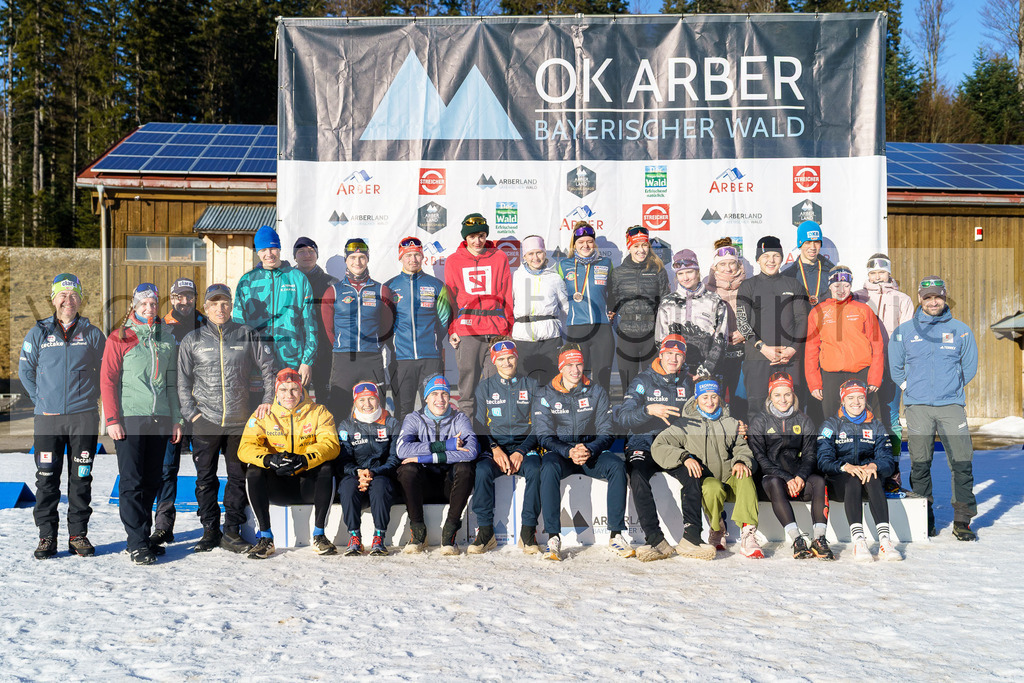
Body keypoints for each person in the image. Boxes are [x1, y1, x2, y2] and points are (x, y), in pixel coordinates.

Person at [177, 283, 276, 554]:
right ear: (206, 308)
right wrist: (191, 413)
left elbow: (268, 368)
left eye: (225, 303)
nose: (220, 308)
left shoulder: (246, 334)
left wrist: (267, 400)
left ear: (231, 306)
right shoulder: (193, 340)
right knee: (205, 479)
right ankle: (210, 530)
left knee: (237, 477)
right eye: (214, 304)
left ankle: (231, 530)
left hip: (239, 420)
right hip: (205, 420)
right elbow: (182, 381)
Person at [20, 273, 106, 559]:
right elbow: (25, 371)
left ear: (80, 299)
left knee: (81, 478)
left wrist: (92, 399)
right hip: (48, 419)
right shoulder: (38, 332)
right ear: (53, 299)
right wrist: (41, 401)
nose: (68, 300)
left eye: (73, 295)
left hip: (83, 417)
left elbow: (106, 371)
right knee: (46, 479)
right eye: (63, 295)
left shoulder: (92, 333)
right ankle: (47, 537)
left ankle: (77, 535)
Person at [889, 275, 979, 541]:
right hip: (918, 408)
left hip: (951, 406)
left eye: (937, 297)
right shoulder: (904, 331)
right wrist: (909, 387)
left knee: (962, 463)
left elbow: (969, 366)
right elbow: (895, 366)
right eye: (927, 297)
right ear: (920, 299)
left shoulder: (961, 330)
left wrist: (950, 388)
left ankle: (962, 520)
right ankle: (924, 519)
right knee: (920, 464)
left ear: (944, 297)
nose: (933, 302)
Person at [101, 284, 183, 565]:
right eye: (143, 304)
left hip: (160, 418)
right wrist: (112, 419)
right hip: (130, 418)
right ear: (134, 306)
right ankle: (136, 542)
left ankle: (142, 537)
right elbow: (108, 381)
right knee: (132, 481)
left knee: (151, 480)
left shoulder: (166, 338)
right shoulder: (120, 337)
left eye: (153, 303)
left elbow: (172, 383)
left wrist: (176, 419)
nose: (149, 308)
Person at [533, 345, 632, 561]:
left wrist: (590, 448)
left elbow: (607, 431)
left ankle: (616, 534)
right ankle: (553, 537)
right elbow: (544, 436)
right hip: (561, 454)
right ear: (561, 367)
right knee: (547, 467)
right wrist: (568, 451)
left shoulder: (597, 391)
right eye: (569, 365)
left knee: (617, 466)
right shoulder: (545, 394)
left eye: (579, 364)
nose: (575, 370)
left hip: (591, 452)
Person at [652, 378, 764, 559]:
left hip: (730, 477)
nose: (710, 402)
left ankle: (748, 533)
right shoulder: (685, 424)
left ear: (719, 398)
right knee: (712, 488)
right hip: (707, 478)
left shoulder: (730, 423)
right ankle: (717, 528)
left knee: (745, 476)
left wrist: (741, 461)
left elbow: (741, 448)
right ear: (696, 400)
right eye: (705, 397)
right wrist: (684, 457)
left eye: (714, 396)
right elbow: (659, 445)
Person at [237, 368, 341, 559]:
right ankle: (265, 537)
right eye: (283, 390)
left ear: (302, 390)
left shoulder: (319, 412)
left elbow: (331, 444)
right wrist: (269, 460)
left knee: (326, 467)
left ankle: (319, 535)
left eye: (294, 389)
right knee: (254, 470)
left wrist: (305, 459)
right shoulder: (263, 414)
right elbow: (245, 448)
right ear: (276, 392)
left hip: (307, 484)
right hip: (277, 485)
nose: (289, 395)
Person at [612, 334, 695, 561]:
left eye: (678, 355)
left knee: (693, 472)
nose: (673, 359)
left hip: (672, 445)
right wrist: (648, 411)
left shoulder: (687, 382)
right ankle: (655, 539)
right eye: (669, 354)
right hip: (643, 443)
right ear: (661, 354)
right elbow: (623, 418)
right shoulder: (643, 381)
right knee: (637, 476)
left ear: (684, 358)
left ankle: (692, 538)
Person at [468, 340, 542, 555]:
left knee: (536, 469)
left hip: (524, 446)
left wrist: (521, 450)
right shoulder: (485, 387)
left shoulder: (531, 385)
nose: (506, 362)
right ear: (494, 361)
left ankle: (528, 532)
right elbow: (479, 425)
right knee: (482, 470)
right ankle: (486, 532)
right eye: (501, 359)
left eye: (510, 357)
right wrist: (494, 448)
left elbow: (539, 426)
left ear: (516, 358)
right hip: (495, 446)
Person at [748, 372, 833, 560]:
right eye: (777, 395)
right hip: (771, 482)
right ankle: (797, 540)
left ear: (793, 395)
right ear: (770, 396)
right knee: (774, 482)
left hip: (797, 481)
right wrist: (787, 478)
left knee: (819, 481)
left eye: (787, 394)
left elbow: (810, 454)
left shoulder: (803, 420)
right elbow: (760, 458)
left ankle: (819, 539)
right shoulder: (760, 421)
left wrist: (801, 476)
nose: (783, 399)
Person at [816, 379, 902, 561]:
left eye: (860, 397)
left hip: (869, 483)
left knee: (872, 476)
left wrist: (875, 465)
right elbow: (823, 461)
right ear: (842, 400)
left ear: (865, 399)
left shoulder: (876, 425)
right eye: (851, 398)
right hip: (841, 483)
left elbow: (887, 461)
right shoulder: (831, 425)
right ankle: (859, 541)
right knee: (853, 478)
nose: (856, 402)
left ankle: (885, 541)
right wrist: (845, 466)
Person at [150, 277, 207, 548]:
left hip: (202, 408)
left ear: (196, 298)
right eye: (179, 297)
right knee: (166, 469)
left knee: (205, 470)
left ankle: (210, 526)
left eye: (189, 296)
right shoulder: (161, 326)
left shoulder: (207, 324)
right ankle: (163, 526)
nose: (184, 301)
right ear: (171, 298)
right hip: (173, 409)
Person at [396, 374, 479, 555]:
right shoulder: (413, 418)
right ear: (426, 398)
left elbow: (471, 451)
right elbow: (402, 450)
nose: (440, 399)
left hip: (450, 485)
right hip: (423, 485)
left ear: (450, 397)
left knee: (465, 468)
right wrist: (445, 445)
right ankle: (418, 532)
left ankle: (449, 533)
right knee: (407, 470)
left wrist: (424, 457)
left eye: (444, 394)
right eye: (434, 394)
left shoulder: (460, 418)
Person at [444, 214, 513, 419]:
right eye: (472, 237)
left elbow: (507, 295)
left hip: (496, 330)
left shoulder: (499, 257)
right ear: (465, 238)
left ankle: (494, 433)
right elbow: (450, 300)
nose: (477, 241)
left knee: (496, 387)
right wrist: (452, 329)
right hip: (467, 330)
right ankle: (468, 432)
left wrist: (508, 328)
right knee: (467, 388)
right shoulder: (453, 261)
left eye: (481, 235)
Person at [233, 225, 317, 385]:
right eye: (263, 249)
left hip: (291, 360)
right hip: (256, 362)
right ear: (258, 252)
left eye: (272, 248)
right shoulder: (247, 281)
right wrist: (240, 359)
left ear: (279, 248)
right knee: (261, 402)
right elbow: (238, 326)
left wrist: (307, 361)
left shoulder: (297, 278)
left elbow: (310, 325)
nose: (269, 254)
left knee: (290, 401)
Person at [321, 238, 394, 421]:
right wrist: (342, 345)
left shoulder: (381, 290)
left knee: (375, 411)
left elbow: (387, 326)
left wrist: (373, 343)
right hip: (343, 359)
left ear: (367, 259)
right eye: (352, 257)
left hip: (372, 358)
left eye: (362, 257)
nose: (357, 262)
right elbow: (329, 329)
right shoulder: (333, 291)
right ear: (346, 260)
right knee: (338, 410)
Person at [853, 253, 915, 459]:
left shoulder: (902, 299)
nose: (877, 277)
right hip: (865, 363)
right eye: (873, 273)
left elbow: (907, 332)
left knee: (891, 415)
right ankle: (864, 459)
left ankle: (892, 464)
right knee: (862, 413)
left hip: (891, 363)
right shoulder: (858, 297)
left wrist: (899, 358)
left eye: (881, 272)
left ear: (889, 273)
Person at [736, 235, 807, 413]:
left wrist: (793, 349)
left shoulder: (793, 284)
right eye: (765, 256)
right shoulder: (748, 286)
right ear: (758, 259)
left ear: (782, 258)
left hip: (789, 358)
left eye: (776, 255)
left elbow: (802, 319)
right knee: (758, 409)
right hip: (758, 357)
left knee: (792, 407)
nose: (771, 260)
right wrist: (763, 348)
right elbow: (743, 322)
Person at [384, 236, 452, 420]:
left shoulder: (436, 285)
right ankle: (402, 439)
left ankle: (432, 439)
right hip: (401, 359)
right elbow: (384, 323)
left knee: (433, 408)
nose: (413, 259)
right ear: (400, 258)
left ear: (422, 257)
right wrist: (394, 344)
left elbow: (444, 320)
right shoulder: (389, 287)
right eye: (408, 255)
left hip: (430, 358)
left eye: (417, 255)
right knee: (402, 409)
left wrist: (432, 340)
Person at [805, 265, 884, 420]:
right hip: (831, 376)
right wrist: (814, 383)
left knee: (867, 419)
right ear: (830, 286)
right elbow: (811, 351)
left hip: (861, 373)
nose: (841, 290)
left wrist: (875, 377)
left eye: (846, 285)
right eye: (837, 286)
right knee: (832, 420)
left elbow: (877, 345)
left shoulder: (864, 310)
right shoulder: (817, 312)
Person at [336, 381, 401, 557]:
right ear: (355, 402)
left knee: (380, 487)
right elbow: (343, 461)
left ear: (378, 400)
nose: (367, 404)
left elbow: (394, 458)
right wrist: (358, 472)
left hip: (382, 473)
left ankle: (379, 537)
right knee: (347, 488)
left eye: (371, 399)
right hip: (355, 473)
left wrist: (374, 472)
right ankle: (354, 537)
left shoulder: (391, 423)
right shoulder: (346, 426)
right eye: (362, 400)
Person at [608, 225, 670, 389]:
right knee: (628, 385)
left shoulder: (658, 270)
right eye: (636, 246)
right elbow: (612, 301)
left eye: (644, 245)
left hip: (652, 335)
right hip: (626, 335)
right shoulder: (618, 273)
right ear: (629, 247)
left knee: (653, 385)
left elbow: (666, 301)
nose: (641, 250)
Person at [557, 222, 615, 392]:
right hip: (577, 329)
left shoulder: (606, 263)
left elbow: (613, 292)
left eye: (589, 241)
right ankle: (578, 407)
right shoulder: (563, 265)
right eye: (581, 242)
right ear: (574, 244)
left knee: (602, 377)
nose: (586, 245)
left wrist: (613, 309)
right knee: (576, 376)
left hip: (602, 328)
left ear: (594, 243)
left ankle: (603, 407)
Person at [655, 249, 729, 380]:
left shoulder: (714, 300)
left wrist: (706, 370)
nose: (685, 278)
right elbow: (661, 340)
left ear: (697, 272)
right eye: (680, 273)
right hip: (676, 371)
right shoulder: (667, 302)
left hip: (708, 373)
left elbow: (721, 338)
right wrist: (677, 367)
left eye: (689, 272)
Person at [511, 235, 568, 386]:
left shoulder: (555, 278)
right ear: (524, 256)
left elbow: (566, 307)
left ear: (545, 253)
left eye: (539, 253)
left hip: (550, 338)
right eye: (530, 253)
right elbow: (508, 304)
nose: (535, 258)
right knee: (524, 384)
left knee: (552, 383)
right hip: (523, 338)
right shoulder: (516, 277)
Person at [293, 236, 339, 405]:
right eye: (301, 251)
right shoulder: (287, 282)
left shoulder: (331, 284)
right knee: (295, 400)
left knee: (326, 402)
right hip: (295, 353)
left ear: (317, 255)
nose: (307, 255)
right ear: (294, 256)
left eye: (311, 251)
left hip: (325, 353)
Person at [704, 238, 747, 418]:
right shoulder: (706, 288)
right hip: (717, 354)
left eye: (732, 263)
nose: (728, 268)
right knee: (716, 400)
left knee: (741, 401)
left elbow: (759, 316)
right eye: (722, 264)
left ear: (738, 264)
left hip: (742, 351)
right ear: (715, 266)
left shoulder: (749, 285)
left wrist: (745, 333)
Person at [782, 220, 835, 306]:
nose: (812, 247)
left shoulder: (831, 273)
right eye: (808, 242)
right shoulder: (788, 275)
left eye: (816, 242)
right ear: (800, 244)